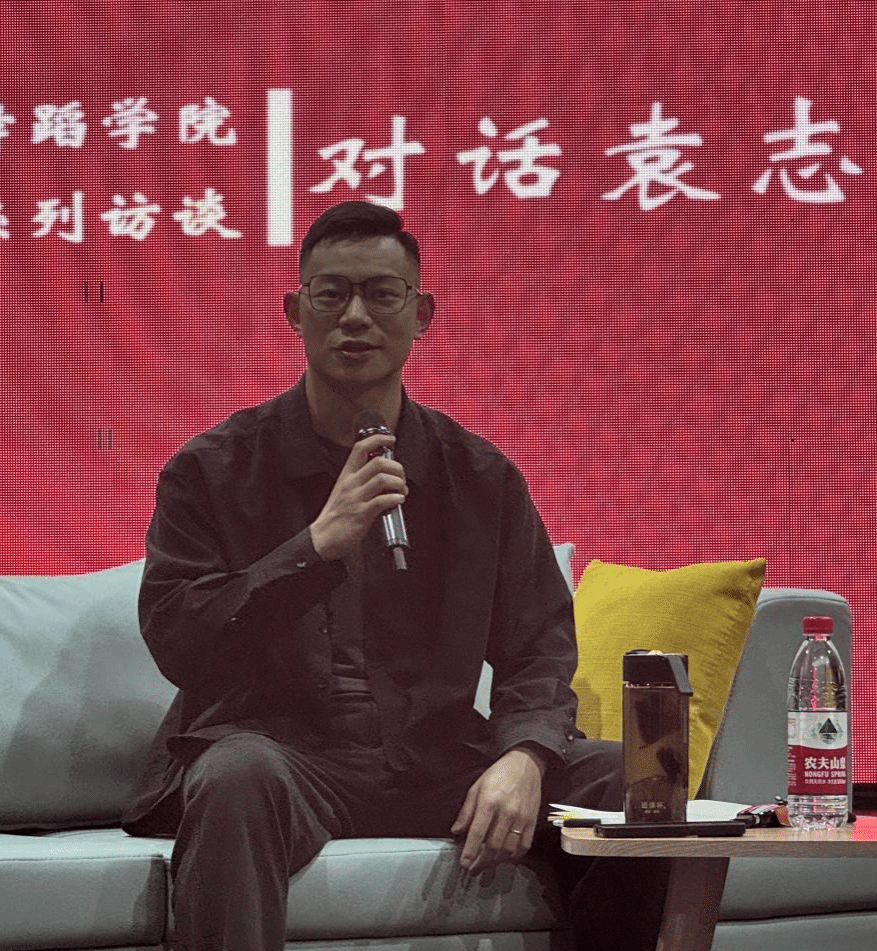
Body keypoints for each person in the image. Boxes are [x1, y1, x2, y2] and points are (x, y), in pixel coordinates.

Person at [122, 200, 664, 950]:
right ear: (294, 312)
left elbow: (539, 644)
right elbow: (179, 640)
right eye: (331, 294)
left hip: (433, 758)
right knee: (233, 775)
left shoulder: (479, 476)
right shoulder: (212, 469)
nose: (355, 318)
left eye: (382, 294)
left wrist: (527, 754)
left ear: (421, 315)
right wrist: (314, 547)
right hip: (287, 756)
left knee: (634, 780)